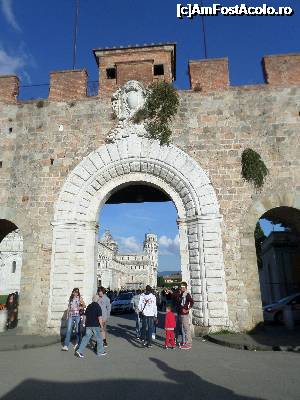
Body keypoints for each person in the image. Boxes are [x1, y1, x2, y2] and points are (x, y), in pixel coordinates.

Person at [178, 282, 194, 350]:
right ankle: (185, 341)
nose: (181, 288)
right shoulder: (182, 294)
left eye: (182, 287)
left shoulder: (187, 294)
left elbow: (192, 302)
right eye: (181, 287)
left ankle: (189, 343)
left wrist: (187, 310)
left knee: (186, 328)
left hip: (185, 314)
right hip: (181, 313)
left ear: (185, 287)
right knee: (183, 328)